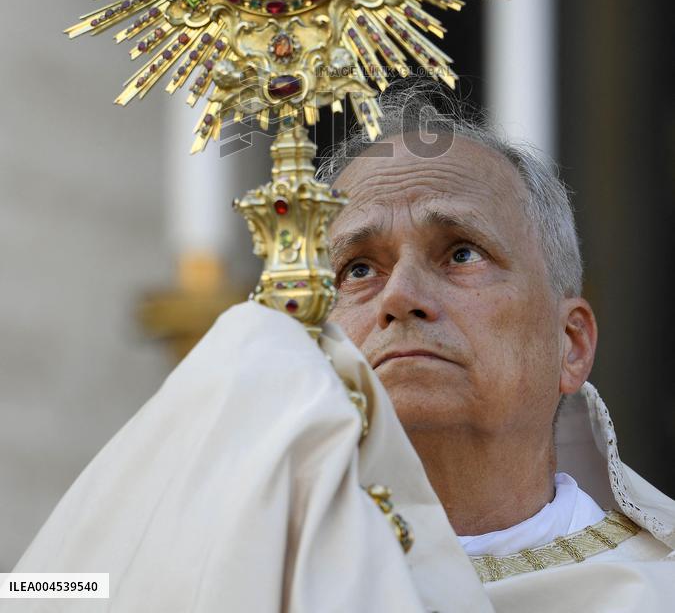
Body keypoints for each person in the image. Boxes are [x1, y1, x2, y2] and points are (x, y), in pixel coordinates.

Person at [7, 79, 674, 611]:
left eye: (460, 253)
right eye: (357, 268)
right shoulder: (222, 549)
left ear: (570, 342)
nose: (398, 297)